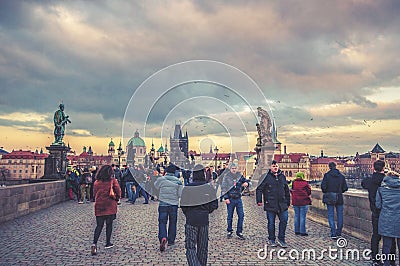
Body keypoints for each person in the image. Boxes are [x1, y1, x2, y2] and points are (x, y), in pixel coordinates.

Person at [181, 164, 218, 266]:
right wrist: (206, 211)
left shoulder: (188, 188)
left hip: (191, 219)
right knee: (203, 248)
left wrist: (189, 213)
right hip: (204, 220)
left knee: (190, 246)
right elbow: (214, 204)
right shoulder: (209, 188)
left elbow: (183, 205)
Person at [361, 160, 396, 265]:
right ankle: (391, 260)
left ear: (373, 168)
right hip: (388, 211)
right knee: (390, 237)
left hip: (375, 211)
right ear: (383, 168)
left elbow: (363, 184)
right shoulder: (387, 180)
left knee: (376, 236)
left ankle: (375, 259)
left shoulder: (369, 180)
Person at [256, 160, 290, 248]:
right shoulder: (265, 177)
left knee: (284, 221)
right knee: (271, 223)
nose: (275, 167)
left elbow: (286, 190)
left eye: (276, 166)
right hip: (270, 203)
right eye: (273, 166)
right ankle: (271, 239)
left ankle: (281, 239)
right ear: (270, 167)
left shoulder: (282, 176)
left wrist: (288, 202)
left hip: (282, 204)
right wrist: (259, 200)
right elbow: (259, 189)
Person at [91, 165, 121, 255]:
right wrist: (117, 198)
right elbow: (118, 191)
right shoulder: (112, 181)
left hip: (99, 205)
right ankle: (107, 242)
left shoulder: (96, 182)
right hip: (110, 205)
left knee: (99, 226)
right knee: (109, 224)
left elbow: (94, 193)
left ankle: (94, 243)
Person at [154, 164, 183, 251]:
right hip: (173, 204)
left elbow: (155, 186)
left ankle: (163, 237)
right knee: (173, 222)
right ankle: (171, 240)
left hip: (163, 204)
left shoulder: (161, 179)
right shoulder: (178, 181)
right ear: (174, 172)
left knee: (162, 222)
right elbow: (180, 194)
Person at [376, 171, 400, 266]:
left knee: (386, 245)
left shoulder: (381, 190)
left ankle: (386, 263)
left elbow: (378, 205)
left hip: (386, 219)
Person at [221, 163, 250, 240]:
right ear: (230, 169)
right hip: (230, 198)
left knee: (241, 215)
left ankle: (239, 231)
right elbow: (224, 187)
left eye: (235, 168)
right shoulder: (226, 176)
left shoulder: (239, 176)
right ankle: (229, 230)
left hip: (238, 198)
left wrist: (247, 183)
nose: (234, 170)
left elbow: (246, 181)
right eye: (232, 168)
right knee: (230, 216)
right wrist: (226, 198)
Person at [321, 161, 348, 240]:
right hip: (339, 197)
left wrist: (328, 191)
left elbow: (323, 187)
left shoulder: (327, 176)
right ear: (336, 166)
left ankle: (333, 233)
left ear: (329, 167)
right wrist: (339, 191)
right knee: (340, 215)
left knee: (331, 215)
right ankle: (339, 232)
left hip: (330, 197)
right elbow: (345, 188)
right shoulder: (341, 176)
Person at [291, 172, 311, 236]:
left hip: (295, 202)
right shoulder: (305, 183)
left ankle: (297, 230)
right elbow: (309, 191)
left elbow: (290, 189)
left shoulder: (293, 182)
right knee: (303, 216)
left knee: (296, 216)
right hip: (304, 201)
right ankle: (302, 231)